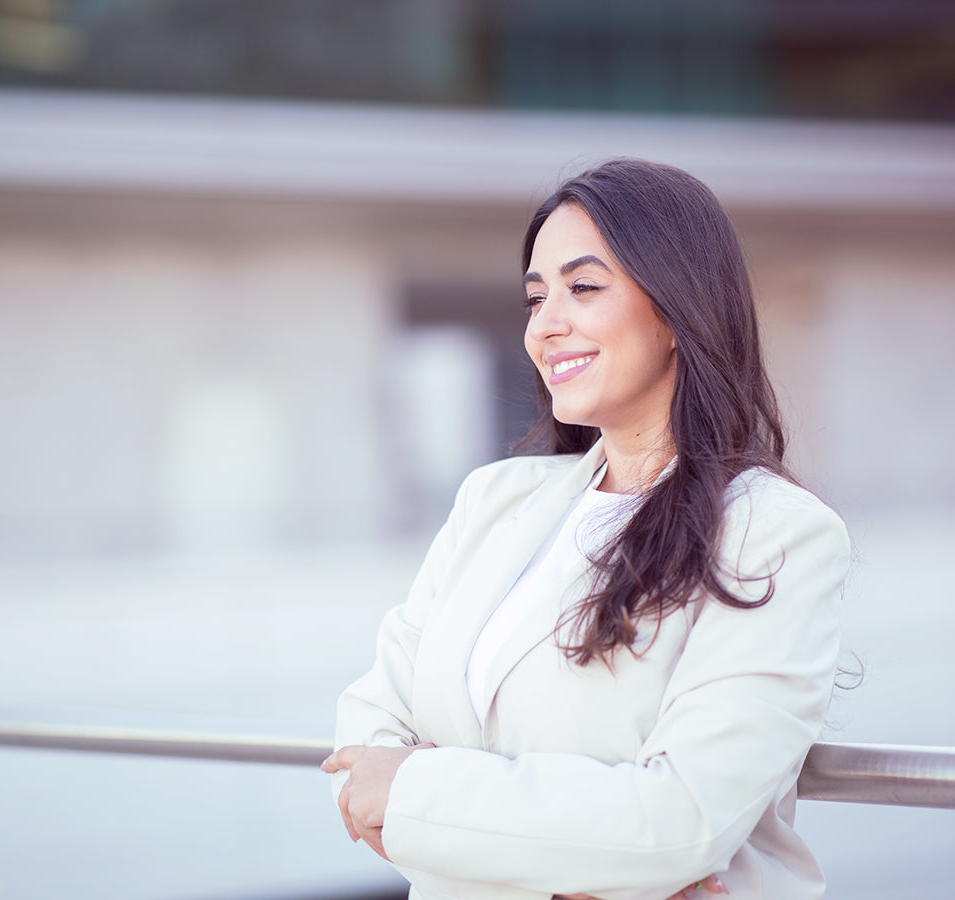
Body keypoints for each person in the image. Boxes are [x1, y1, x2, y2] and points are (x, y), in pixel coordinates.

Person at [321, 158, 851, 900]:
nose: (546, 325)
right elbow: (372, 724)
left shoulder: (777, 533)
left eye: (584, 287)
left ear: (677, 310)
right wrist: (590, 853)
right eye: (536, 298)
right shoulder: (494, 501)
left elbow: (680, 823)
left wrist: (419, 799)